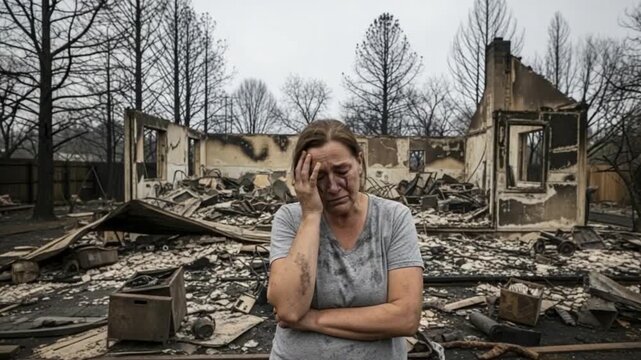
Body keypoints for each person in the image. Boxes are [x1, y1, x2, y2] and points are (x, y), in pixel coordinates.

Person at [267, 119, 424, 360]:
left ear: (359, 163)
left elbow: (405, 317)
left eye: (342, 171)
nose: (332, 186)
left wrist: (312, 319)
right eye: (319, 176)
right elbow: (289, 309)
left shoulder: (392, 218)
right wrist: (310, 215)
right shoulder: (289, 219)